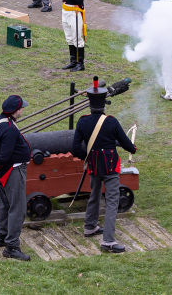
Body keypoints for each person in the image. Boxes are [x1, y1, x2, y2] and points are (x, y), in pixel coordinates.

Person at [71, 78, 137, 253]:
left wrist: (87, 156)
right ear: (103, 105)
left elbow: (75, 148)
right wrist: (133, 148)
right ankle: (108, 241)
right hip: (109, 167)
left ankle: (90, 226)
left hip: (93, 165)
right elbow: (124, 142)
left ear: (90, 105)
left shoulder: (82, 121)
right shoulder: (111, 121)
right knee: (113, 201)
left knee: (94, 194)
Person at [0, 95, 32, 262]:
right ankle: (11, 246)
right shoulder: (10, 129)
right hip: (13, 171)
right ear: (16, 110)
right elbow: (5, 155)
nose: (23, 110)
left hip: (2, 171)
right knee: (18, 208)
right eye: (21, 108)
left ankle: (1, 237)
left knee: (5, 204)